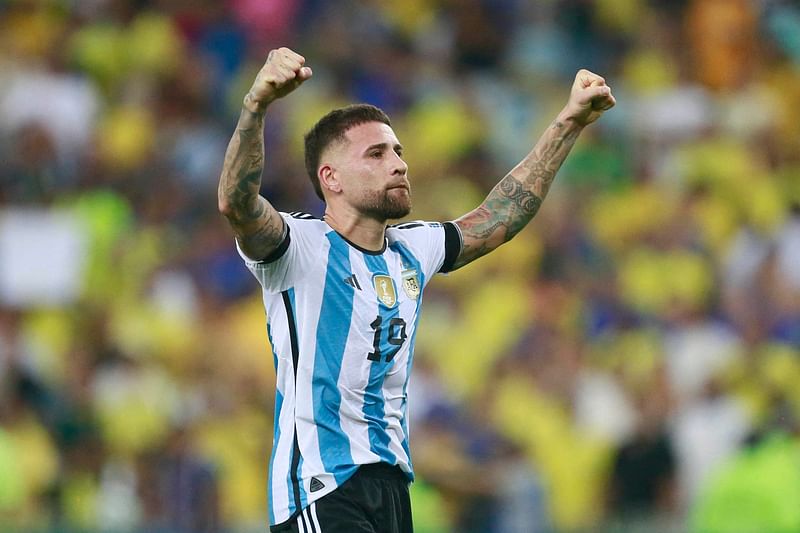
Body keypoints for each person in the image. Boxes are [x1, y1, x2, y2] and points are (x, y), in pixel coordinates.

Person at [217, 47, 615, 533]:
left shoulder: (412, 249)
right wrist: (256, 105)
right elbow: (237, 204)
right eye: (377, 154)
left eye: (399, 151)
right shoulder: (297, 246)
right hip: (320, 486)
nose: (399, 164)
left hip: (392, 487)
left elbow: (501, 216)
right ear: (331, 179)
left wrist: (569, 122)